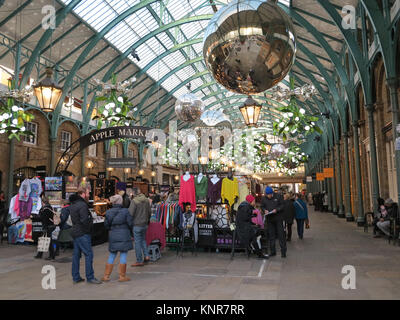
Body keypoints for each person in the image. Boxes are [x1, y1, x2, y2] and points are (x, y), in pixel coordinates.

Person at [69, 187, 101, 284]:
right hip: (83, 233)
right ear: (82, 194)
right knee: (88, 254)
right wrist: (90, 225)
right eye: (87, 193)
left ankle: (76, 276)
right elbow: (84, 220)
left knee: (76, 255)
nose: (88, 195)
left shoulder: (73, 204)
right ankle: (90, 277)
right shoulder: (82, 205)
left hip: (75, 231)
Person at [102, 194, 133, 282]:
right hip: (124, 234)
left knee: (112, 254)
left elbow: (106, 225)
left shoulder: (108, 212)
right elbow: (130, 223)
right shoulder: (125, 211)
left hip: (113, 234)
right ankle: (122, 276)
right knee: (123, 254)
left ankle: (106, 276)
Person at [236, 194, 269, 259]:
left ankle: (258, 253)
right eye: (253, 201)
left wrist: (252, 217)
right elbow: (245, 218)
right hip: (243, 230)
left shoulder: (244, 206)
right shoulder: (245, 207)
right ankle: (259, 254)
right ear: (250, 201)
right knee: (255, 236)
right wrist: (253, 216)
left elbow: (246, 218)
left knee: (254, 237)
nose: (254, 202)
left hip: (243, 228)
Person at [261, 186, 286, 258]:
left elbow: (282, 205)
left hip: (278, 219)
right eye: (267, 195)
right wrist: (264, 210)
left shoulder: (278, 196)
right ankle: (273, 252)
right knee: (271, 236)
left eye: (270, 195)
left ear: (272, 193)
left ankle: (283, 252)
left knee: (281, 235)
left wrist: (277, 209)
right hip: (270, 219)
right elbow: (262, 206)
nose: (269, 196)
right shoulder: (263, 198)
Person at [129, 188, 151, 267]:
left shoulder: (134, 201)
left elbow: (130, 213)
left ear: (134, 193)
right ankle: (146, 255)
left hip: (137, 224)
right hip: (144, 224)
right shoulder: (146, 200)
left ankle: (139, 260)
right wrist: (147, 220)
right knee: (143, 240)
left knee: (137, 242)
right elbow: (149, 212)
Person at [34, 193, 57, 260]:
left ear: (42, 202)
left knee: (48, 241)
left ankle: (51, 255)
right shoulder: (49, 207)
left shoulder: (45, 209)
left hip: (47, 226)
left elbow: (44, 219)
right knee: (44, 240)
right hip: (50, 226)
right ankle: (40, 254)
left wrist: (44, 228)